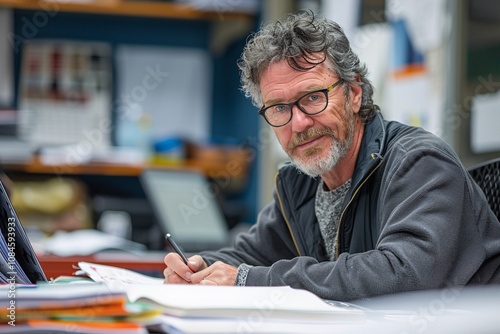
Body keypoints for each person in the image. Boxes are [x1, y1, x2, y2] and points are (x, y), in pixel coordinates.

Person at [163, 10, 500, 301]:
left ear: (354, 93)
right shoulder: (299, 184)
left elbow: (405, 275)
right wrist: (200, 268)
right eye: (279, 108)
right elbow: (249, 255)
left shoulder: (419, 162)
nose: (299, 123)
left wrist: (247, 280)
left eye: (312, 97)